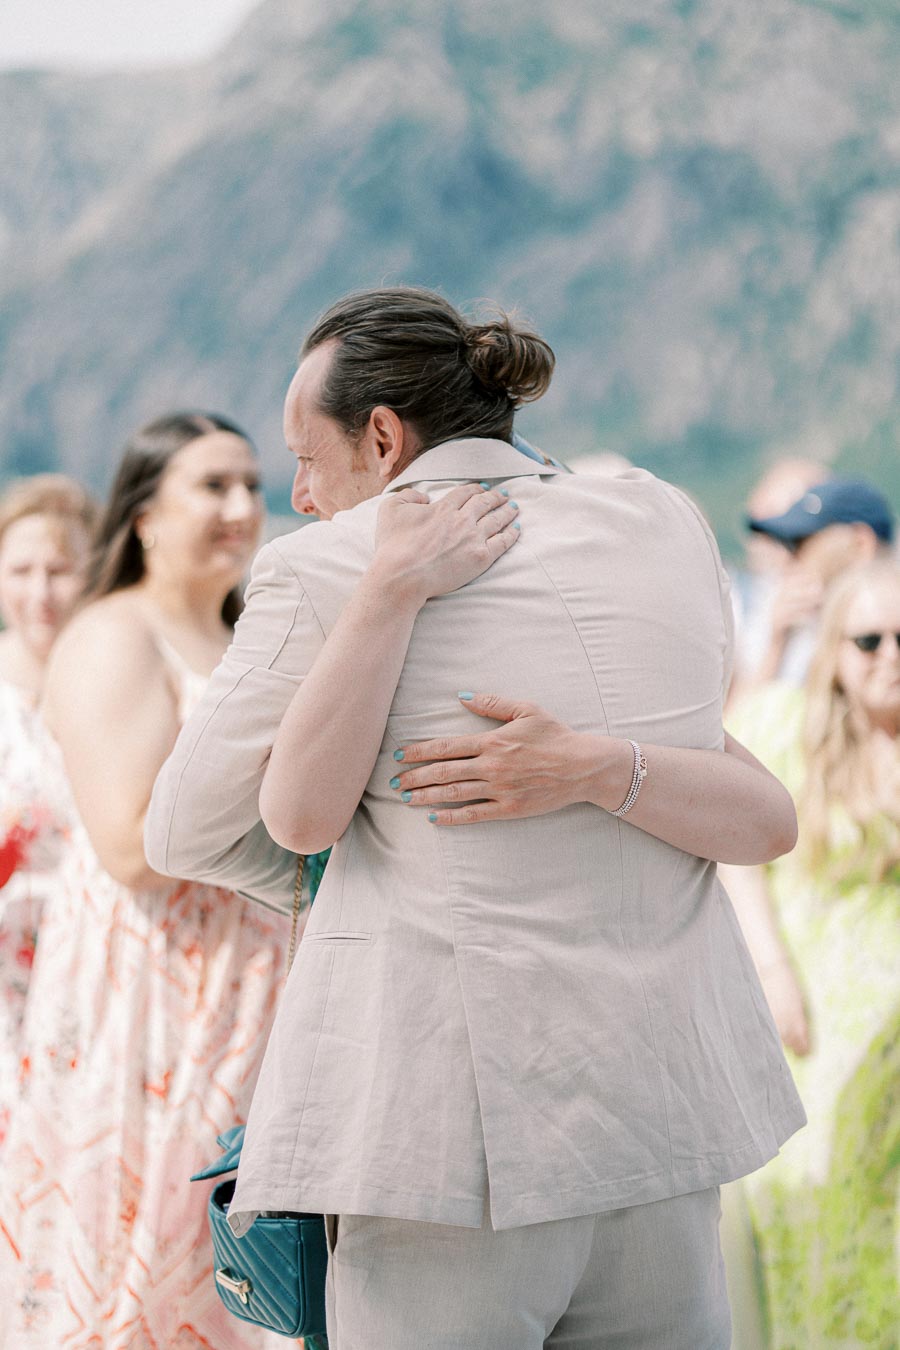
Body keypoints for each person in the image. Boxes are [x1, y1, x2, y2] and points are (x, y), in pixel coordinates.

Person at [146, 287, 804, 1349]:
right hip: (663, 1122)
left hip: (443, 1151)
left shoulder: (328, 564)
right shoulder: (664, 524)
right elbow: (750, 798)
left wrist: (362, 852)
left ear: (383, 437)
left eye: (305, 460)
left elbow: (184, 830)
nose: (300, 498)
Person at [0, 415, 296, 1348]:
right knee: (153, 1260)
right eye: (211, 485)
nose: (241, 505)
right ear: (144, 515)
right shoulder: (113, 634)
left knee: (257, 1273)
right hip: (153, 986)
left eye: (250, 483)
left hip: (262, 979)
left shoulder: (252, 632)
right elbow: (130, 847)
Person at [719, 559, 900, 1348]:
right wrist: (771, 972)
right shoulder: (782, 726)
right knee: (816, 1190)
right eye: (869, 640)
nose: (890, 656)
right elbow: (735, 854)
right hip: (816, 1020)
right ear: (835, 649)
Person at [0, 475, 96, 1154]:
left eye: (60, 571)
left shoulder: (113, 682)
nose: (41, 593)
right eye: (21, 570)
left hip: (89, 961)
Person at [740, 476, 895, 693]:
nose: (786, 559)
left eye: (800, 543)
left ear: (861, 544)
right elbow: (743, 713)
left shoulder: (883, 636)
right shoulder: (802, 630)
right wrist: (777, 643)